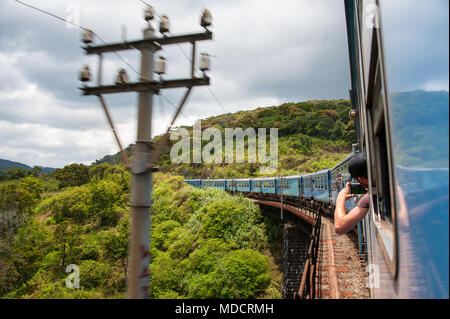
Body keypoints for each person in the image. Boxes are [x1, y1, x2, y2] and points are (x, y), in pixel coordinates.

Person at [334, 153, 370, 235]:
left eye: (357, 180)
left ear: (361, 178)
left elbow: (339, 227)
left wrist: (340, 197)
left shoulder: (368, 197)